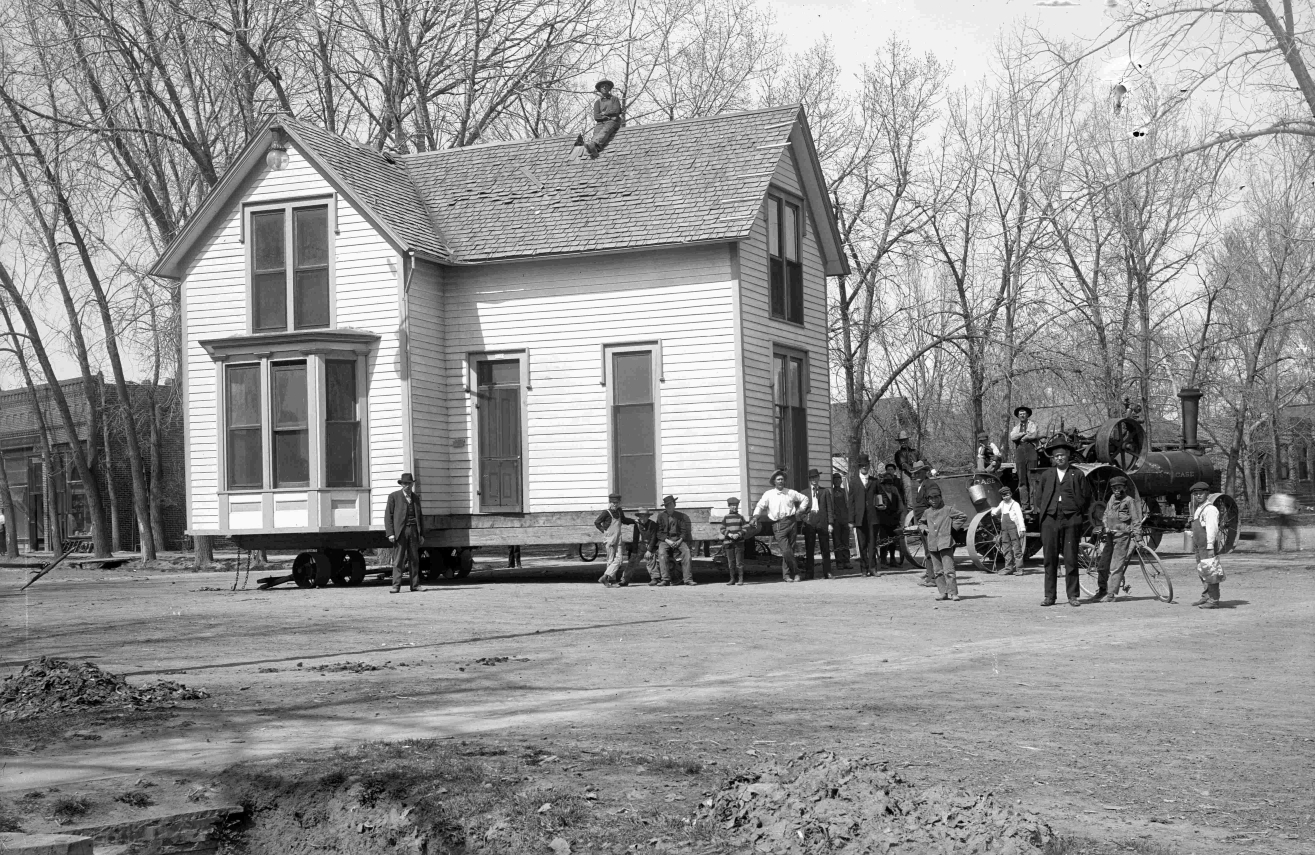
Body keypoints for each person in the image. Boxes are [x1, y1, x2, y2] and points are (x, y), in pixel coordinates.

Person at [1035, 438, 1092, 607]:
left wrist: (1077, 512)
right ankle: (1049, 596)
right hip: (1050, 519)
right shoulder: (1046, 475)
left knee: (1071, 558)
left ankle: (1073, 596)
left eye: (1062, 455)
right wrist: (1048, 512)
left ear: (1068, 456)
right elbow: (1039, 498)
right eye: (1056, 456)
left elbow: (1086, 496)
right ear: (1053, 458)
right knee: (1049, 559)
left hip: (1071, 519)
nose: (1059, 458)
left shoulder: (1078, 474)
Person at [754, 469, 810, 582]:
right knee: (786, 550)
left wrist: (800, 510)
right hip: (778, 524)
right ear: (774, 482)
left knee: (790, 550)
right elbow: (760, 506)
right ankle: (796, 572)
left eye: (782, 479)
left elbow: (805, 498)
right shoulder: (769, 494)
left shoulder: (790, 492)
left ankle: (787, 575)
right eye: (778, 479)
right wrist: (755, 517)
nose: (780, 481)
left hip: (792, 522)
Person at [1093, 476, 1142, 602]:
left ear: (1124, 488)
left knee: (1115, 567)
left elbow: (1136, 520)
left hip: (1122, 537)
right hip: (1110, 536)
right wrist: (1106, 526)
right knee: (1102, 565)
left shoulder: (1129, 501)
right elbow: (1106, 514)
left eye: (1119, 488)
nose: (1116, 490)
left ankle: (1110, 594)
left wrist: (1138, 537)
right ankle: (1102, 590)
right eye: (1114, 488)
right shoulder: (1112, 498)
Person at [920, 484, 967, 601]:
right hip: (933, 544)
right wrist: (924, 529)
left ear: (940, 497)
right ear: (928, 500)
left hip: (946, 543)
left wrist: (951, 528)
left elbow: (962, 516)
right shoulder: (927, 512)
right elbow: (921, 522)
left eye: (936, 497)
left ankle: (953, 593)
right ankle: (943, 593)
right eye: (931, 498)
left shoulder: (948, 510)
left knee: (949, 570)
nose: (934, 500)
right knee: (938, 571)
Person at [385, 473, 425, 593]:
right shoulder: (394, 496)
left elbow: (420, 517)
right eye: (405, 483)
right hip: (400, 531)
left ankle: (415, 585)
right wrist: (390, 533)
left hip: (413, 530)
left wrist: (421, 534)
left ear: (412, 484)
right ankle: (396, 585)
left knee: (414, 558)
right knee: (398, 559)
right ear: (401, 484)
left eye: (409, 483)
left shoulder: (415, 498)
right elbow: (388, 516)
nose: (407, 486)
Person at [1189, 482, 1226, 609]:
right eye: (1196, 494)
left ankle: (1213, 600)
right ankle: (1206, 596)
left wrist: (1210, 547)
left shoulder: (1210, 510)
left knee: (1211, 571)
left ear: (1207, 494)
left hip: (1207, 546)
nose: (1198, 496)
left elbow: (1212, 530)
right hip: (1199, 546)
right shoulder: (1199, 509)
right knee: (1203, 571)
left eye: (1201, 493)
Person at [652, 495, 695, 586]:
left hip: (679, 539)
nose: (669, 507)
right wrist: (668, 541)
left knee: (686, 552)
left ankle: (688, 579)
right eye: (667, 505)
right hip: (666, 540)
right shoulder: (661, 516)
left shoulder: (681, 516)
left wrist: (680, 540)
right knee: (662, 553)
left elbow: (684, 531)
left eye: (670, 504)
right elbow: (659, 532)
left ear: (674, 504)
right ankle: (665, 579)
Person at [850, 454, 881, 575]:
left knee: (872, 544)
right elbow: (851, 502)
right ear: (859, 467)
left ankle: (873, 568)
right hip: (860, 518)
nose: (864, 467)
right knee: (862, 544)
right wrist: (851, 520)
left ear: (869, 466)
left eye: (866, 465)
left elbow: (880, 496)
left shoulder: (875, 481)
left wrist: (881, 504)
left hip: (873, 517)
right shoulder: (854, 482)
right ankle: (864, 568)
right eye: (862, 465)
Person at [594, 493, 634, 587]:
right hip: (610, 539)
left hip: (618, 538)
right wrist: (604, 531)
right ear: (610, 502)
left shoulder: (619, 511)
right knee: (610, 560)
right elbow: (597, 522)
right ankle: (611, 581)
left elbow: (623, 520)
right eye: (613, 503)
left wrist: (633, 521)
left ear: (619, 503)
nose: (615, 504)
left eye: (617, 503)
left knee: (619, 559)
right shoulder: (606, 513)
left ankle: (605, 577)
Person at [802, 468, 834, 580]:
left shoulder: (825, 492)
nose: (814, 480)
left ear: (819, 478)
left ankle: (827, 572)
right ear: (809, 479)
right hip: (810, 521)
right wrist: (805, 519)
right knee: (809, 548)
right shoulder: (804, 493)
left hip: (822, 520)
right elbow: (801, 509)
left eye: (815, 477)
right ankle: (809, 573)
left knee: (825, 548)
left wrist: (830, 523)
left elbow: (829, 508)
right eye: (811, 478)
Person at [1009, 406, 1042, 507]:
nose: (1022, 415)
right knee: (1022, 480)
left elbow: (1034, 435)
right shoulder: (1015, 428)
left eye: (1024, 413)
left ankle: (1033, 505)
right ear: (1018, 416)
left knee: (1032, 478)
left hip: (1031, 451)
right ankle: (1024, 504)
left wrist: (1024, 437)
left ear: (1027, 415)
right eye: (1020, 414)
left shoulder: (1033, 425)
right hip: (1020, 452)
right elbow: (1013, 437)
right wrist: (1023, 434)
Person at [990, 486, 1026, 575]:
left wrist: (1022, 529)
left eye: (1007, 495)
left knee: (1017, 547)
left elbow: (1020, 517)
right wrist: (992, 511)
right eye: (1003, 496)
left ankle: (1019, 569)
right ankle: (1008, 568)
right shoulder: (1002, 504)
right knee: (1006, 547)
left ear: (1010, 494)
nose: (1005, 497)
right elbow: (995, 511)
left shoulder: (1015, 504)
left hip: (1013, 528)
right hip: (1004, 529)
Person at [583, 79, 624, 158]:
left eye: (606, 86)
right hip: (601, 122)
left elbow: (616, 110)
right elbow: (596, 116)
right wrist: (604, 116)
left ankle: (595, 145)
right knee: (596, 133)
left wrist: (604, 113)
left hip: (613, 121)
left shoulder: (614, 99)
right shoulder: (597, 102)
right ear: (600, 89)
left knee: (605, 130)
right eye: (602, 86)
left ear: (609, 88)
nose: (604, 88)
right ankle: (593, 149)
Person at [875, 463, 904, 570]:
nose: (889, 486)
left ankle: (892, 559)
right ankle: (883, 560)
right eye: (887, 485)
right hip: (883, 521)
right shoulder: (879, 495)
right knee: (884, 541)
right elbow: (878, 506)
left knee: (893, 541)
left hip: (894, 520)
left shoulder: (895, 494)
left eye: (890, 485)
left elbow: (899, 506)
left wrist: (899, 516)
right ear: (883, 485)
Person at [626, 508, 659, 586]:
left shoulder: (652, 524)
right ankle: (625, 579)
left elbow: (654, 538)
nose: (643, 518)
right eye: (641, 516)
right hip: (642, 544)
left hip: (651, 544)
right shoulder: (637, 524)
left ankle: (655, 578)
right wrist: (634, 551)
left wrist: (649, 550)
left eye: (645, 516)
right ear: (639, 517)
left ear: (648, 517)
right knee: (633, 560)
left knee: (650, 558)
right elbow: (635, 538)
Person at [719, 497, 748, 586]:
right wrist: (730, 534)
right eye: (732, 505)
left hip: (739, 542)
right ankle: (732, 579)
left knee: (739, 561)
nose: (734, 507)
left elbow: (745, 529)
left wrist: (739, 534)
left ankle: (740, 579)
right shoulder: (726, 517)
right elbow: (722, 529)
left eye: (736, 505)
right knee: (731, 562)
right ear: (729, 506)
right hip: (728, 542)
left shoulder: (741, 517)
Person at [1266, 485, 1300, 552]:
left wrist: (1294, 510)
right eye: (1284, 489)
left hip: (1287, 517)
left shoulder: (1289, 498)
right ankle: (1280, 548)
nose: (1285, 490)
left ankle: (1297, 547)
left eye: (1286, 489)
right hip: (1280, 517)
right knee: (1281, 533)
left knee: (1294, 531)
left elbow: (1295, 507)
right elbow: (1269, 506)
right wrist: (1276, 509)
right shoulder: (1276, 497)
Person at [830, 472, 853, 570]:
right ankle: (839, 562)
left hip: (845, 519)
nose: (837, 481)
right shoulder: (830, 492)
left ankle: (847, 561)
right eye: (835, 479)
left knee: (845, 541)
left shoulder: (845, 492)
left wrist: (850, 519)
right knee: (837, 541)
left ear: (841, 481)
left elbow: (850, 505)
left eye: (838, 479)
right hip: (835, 520)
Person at [893, 431, 921, 508]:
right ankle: (910, 509)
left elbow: (923, 460)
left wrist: (932, 469)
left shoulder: (915, 452)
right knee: (909, 490)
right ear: (899, 442)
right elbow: (903, 464)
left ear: (908, 440)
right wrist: (911, 470)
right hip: (906, 474)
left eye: (904, 440)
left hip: (917, 473)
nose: (903, 442)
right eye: (901, 441)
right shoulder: (898, 453)